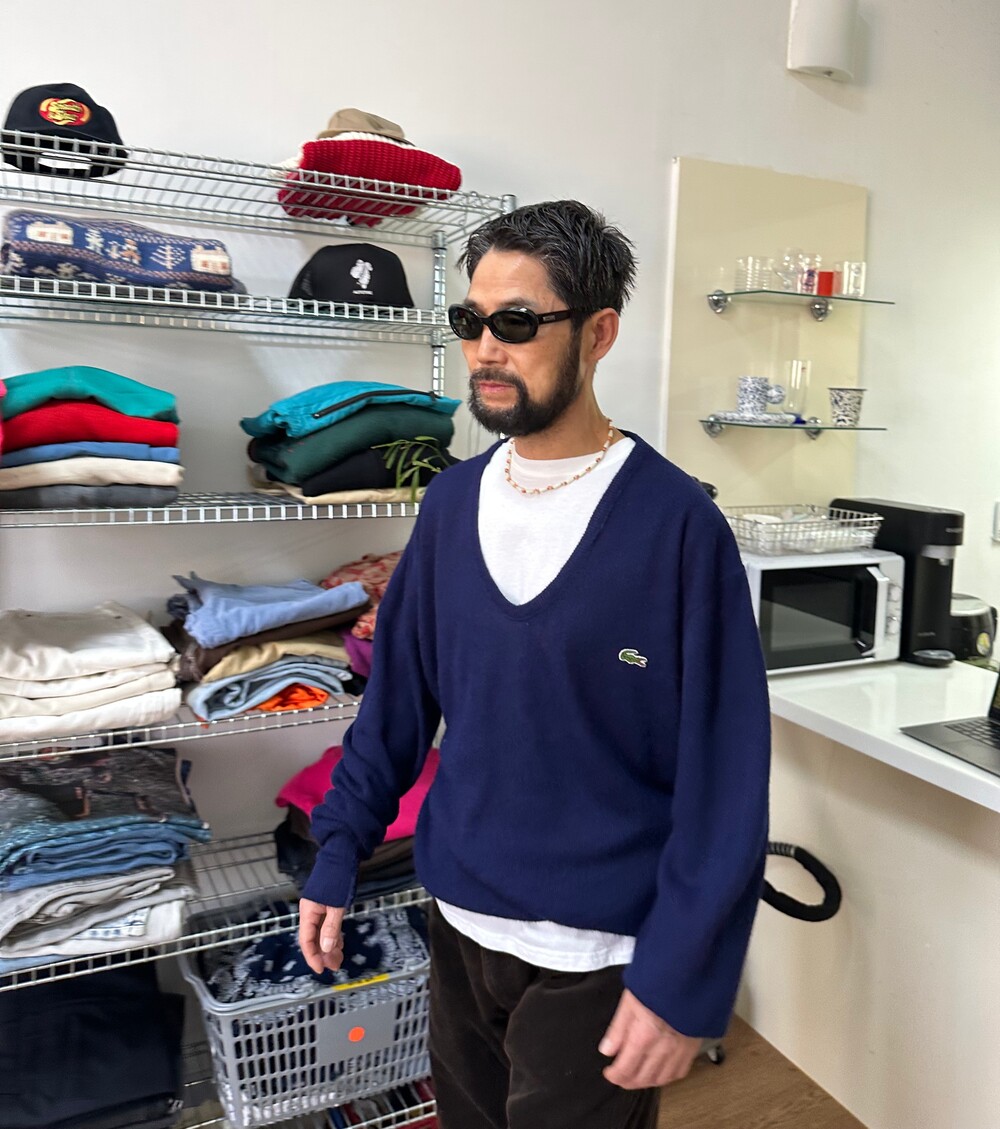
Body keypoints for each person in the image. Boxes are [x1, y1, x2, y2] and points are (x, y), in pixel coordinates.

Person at [299, 199, 771, 1129]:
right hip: (459, 921)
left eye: (517, 323)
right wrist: (339, 847)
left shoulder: (677, 526)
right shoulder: (450, 506)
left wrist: (683, 975)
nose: (486, 349)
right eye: (470, 320)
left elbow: (725, 778)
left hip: (600, 956)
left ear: (598, 334)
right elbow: (396, 708)